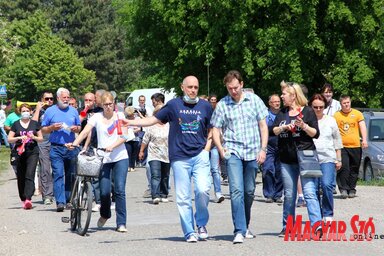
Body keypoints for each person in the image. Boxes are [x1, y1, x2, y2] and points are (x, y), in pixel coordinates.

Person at [121, 75, 213, 243]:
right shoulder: (173, 105)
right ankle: (189, 231)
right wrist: (131, 122)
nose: (193, 90)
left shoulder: (205, 106)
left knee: (202, 190)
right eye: (190, 87)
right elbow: (154, 119)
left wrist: (207, 149)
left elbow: (212, 128)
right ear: (182, 87)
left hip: (200, 155)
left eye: (196, 87)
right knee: (183, 197)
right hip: (179, 157)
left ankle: (201, 223)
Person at [211, 70, 268, 244]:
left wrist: (263, 149)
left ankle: (245, 225)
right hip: (233, 151)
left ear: (242, 84)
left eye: (235, 87)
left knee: (249, 191)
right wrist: (220, 148)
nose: (233, 91)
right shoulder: (222, 104)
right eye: (230, 89)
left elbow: (263, 126)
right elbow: (216, 129)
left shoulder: (255, 100)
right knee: (236, 191)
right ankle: (239, 230)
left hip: (252, 152)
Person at [67, 91, 129, 233]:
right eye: (105, 104)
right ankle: (105, 214)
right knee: (104, 192)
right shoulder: (97, 117)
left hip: (120, 157)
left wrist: (112, 146)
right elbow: (84, 132)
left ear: (114, 104)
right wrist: (75, 143)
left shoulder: (119, 116)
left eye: (110, 104)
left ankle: (121, 223)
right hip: (103, 158)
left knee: (119, 190)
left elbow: (124, 136)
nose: (108, 107)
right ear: (101, 105)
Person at [272, 81, 322, 237]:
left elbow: (316, 133)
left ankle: (317, 226)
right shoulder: (282, 113)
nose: (282, 96)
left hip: (306, 157)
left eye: (284, 94)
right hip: (287, 159)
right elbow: (273, 130)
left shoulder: (307, 112)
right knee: (289, 195)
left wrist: (304, 126)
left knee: (309, 192)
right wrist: (283, 128)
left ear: (293, 96)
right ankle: (288, 226)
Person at [41, 88, 81, 212]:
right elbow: (43, 130)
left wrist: (76, 128)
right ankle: (60, 202)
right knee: (58, 174)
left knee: (71, 174)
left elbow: (79, 127)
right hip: (56, 147)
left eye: (68, 97)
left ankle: (69, 200)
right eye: (64, 97)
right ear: (58, 98)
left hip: (71, 147)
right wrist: (52, 127)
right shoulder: (50, 111)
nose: (66, 99)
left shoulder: (74, 111)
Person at [309, 94, 343, 221]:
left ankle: (328, 213)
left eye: (321, 107)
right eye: (315, 107)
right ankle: (317, 213)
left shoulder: (330, 120)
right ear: (311, 106)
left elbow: (337, 139)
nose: (318, 109)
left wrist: (338, 158)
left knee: (327, 184)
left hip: (328, 157)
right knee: (315, 188)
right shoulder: (307, 120)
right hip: (311, 158)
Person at [7, 104, 43, 209]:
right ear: (20, 112)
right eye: (23, 111)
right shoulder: (16, 124)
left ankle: (28, 198)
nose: (25, 112)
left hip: (33, 151)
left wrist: (34, 137)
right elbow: (9, 139)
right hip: (20, 152)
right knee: (21, 176)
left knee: (30, 174)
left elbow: (41, 138)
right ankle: (23, 197)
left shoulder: (35, 124)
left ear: (31, 112)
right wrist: (18, 137)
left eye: (27, 110)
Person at [334, 95, 368, 199]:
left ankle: (351, 188)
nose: (346, 105)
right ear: (341, 104)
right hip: (342, 146)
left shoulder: (357, 114)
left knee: (355, 167)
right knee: (344, 167)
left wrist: (364, 140)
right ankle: (343, 189)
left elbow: (362, 127)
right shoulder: (336, 115)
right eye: (344, 103)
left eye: (348, 102)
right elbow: (334, 131)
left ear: (350, 102)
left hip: (356, 145)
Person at [138, 104, 170, 204]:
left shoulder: (169, 125)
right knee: (156, 175)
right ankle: (155, 195)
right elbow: (145, 139)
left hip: (167, 154)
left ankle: (163, 194)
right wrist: (141, 151)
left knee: (165, 175)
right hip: (154, 154)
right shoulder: (151, 126)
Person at [32, 91, 55, 205]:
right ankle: (47, 195)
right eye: (47, 99)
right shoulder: (39, 111)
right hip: (43, 141)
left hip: (56, 141)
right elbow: (33, 124)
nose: (49, 101)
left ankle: (57, 192)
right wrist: (37, 109)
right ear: (42, 100)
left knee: (57, 168)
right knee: (45, 168)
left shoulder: (56, 110)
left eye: (51, 98)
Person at [262, 94, 283, 204]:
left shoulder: (283, 113)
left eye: (278, 101)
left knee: (280, 171)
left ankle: (278, 194)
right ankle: (269, 194)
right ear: (269, 103)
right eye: (274, 101)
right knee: (268, 169)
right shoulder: (265, 115)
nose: (277, 103)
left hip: (281, 145)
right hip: (269, 145)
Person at [208, 94, 224, 203]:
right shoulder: (204, 113)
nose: (213, 103)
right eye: (211, 101)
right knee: (204, 170)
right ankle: (203, 192)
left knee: (215, 169)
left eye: (215, 101)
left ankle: (218, 193)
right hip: (202, 146)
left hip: (214, 145)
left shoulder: (218, 113)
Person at [124, 106, 141, 172]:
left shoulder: (137, 119)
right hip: (127, 139)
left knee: (134, 153)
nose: (130, 116)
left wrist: (131, 130)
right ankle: (128, 166)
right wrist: (131, 130)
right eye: (129, 115)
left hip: (135, 138)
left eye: (131, 115)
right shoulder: (125, 119)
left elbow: (139, 128)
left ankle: (132, 166)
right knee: (128, 152)